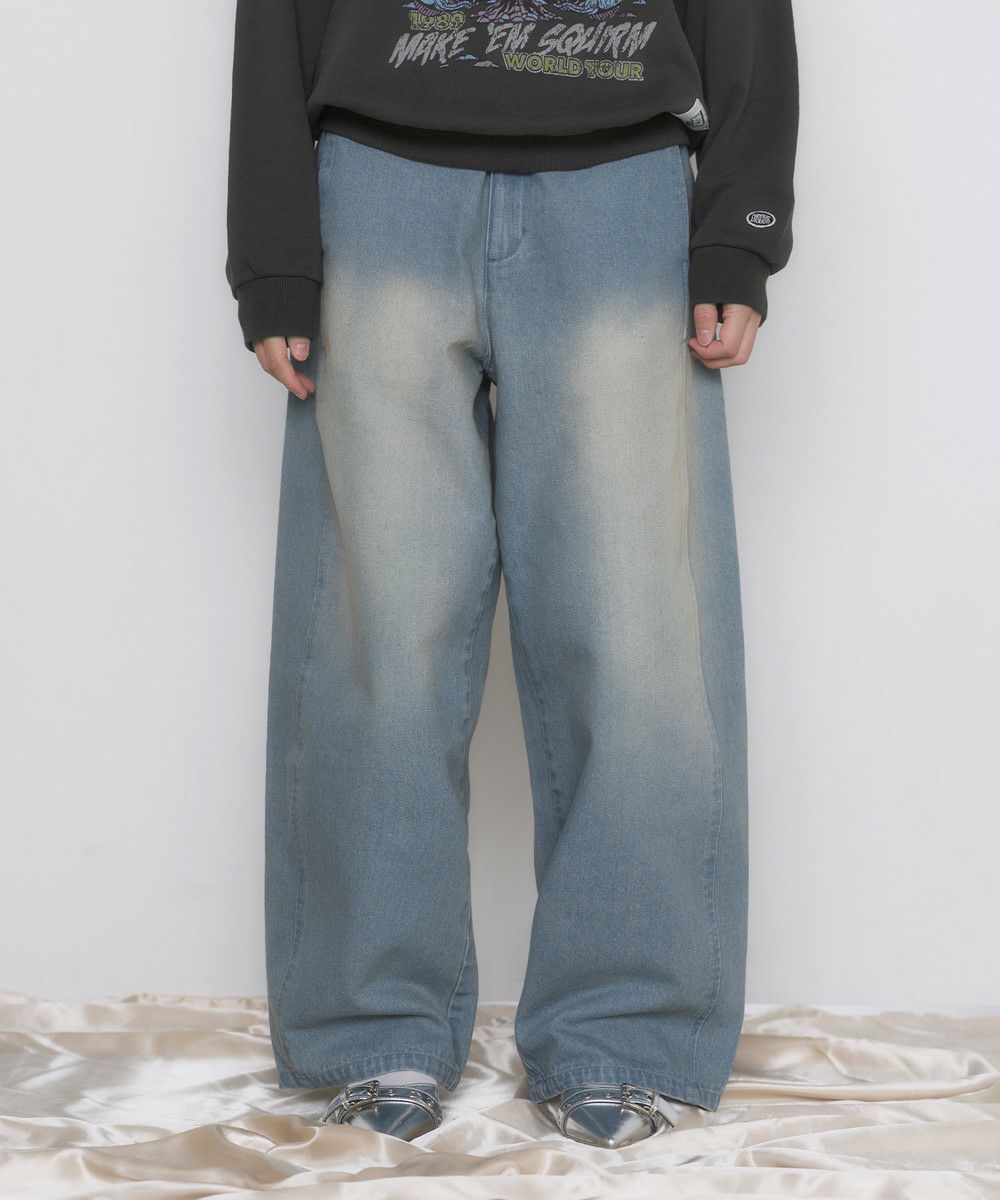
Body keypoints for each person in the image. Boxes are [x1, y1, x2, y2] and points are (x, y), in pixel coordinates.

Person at [226, 0, 798, 1150]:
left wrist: (741, 224)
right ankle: (370, 1028)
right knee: (376, 641)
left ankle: (625, 1032)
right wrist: (273, 253)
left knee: (637, 638)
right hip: (373, 183)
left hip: (622, 189)